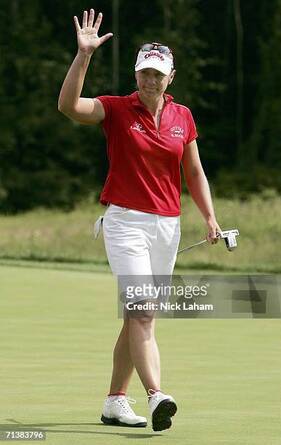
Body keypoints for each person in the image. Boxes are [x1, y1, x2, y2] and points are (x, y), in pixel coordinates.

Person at [58, 8, 221, 432]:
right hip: (125, 222)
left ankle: (115, 401)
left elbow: (195, 172)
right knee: (143, 311)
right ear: (136, 74)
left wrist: (209, 216)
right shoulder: (115, 109)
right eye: (144, 72)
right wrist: (84, 55)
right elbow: (69, 106)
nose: (150, 80)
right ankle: (156, 395)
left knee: (137, 316)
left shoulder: (182, 117)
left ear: (171, 77)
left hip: (167, 226)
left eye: (158, 74)